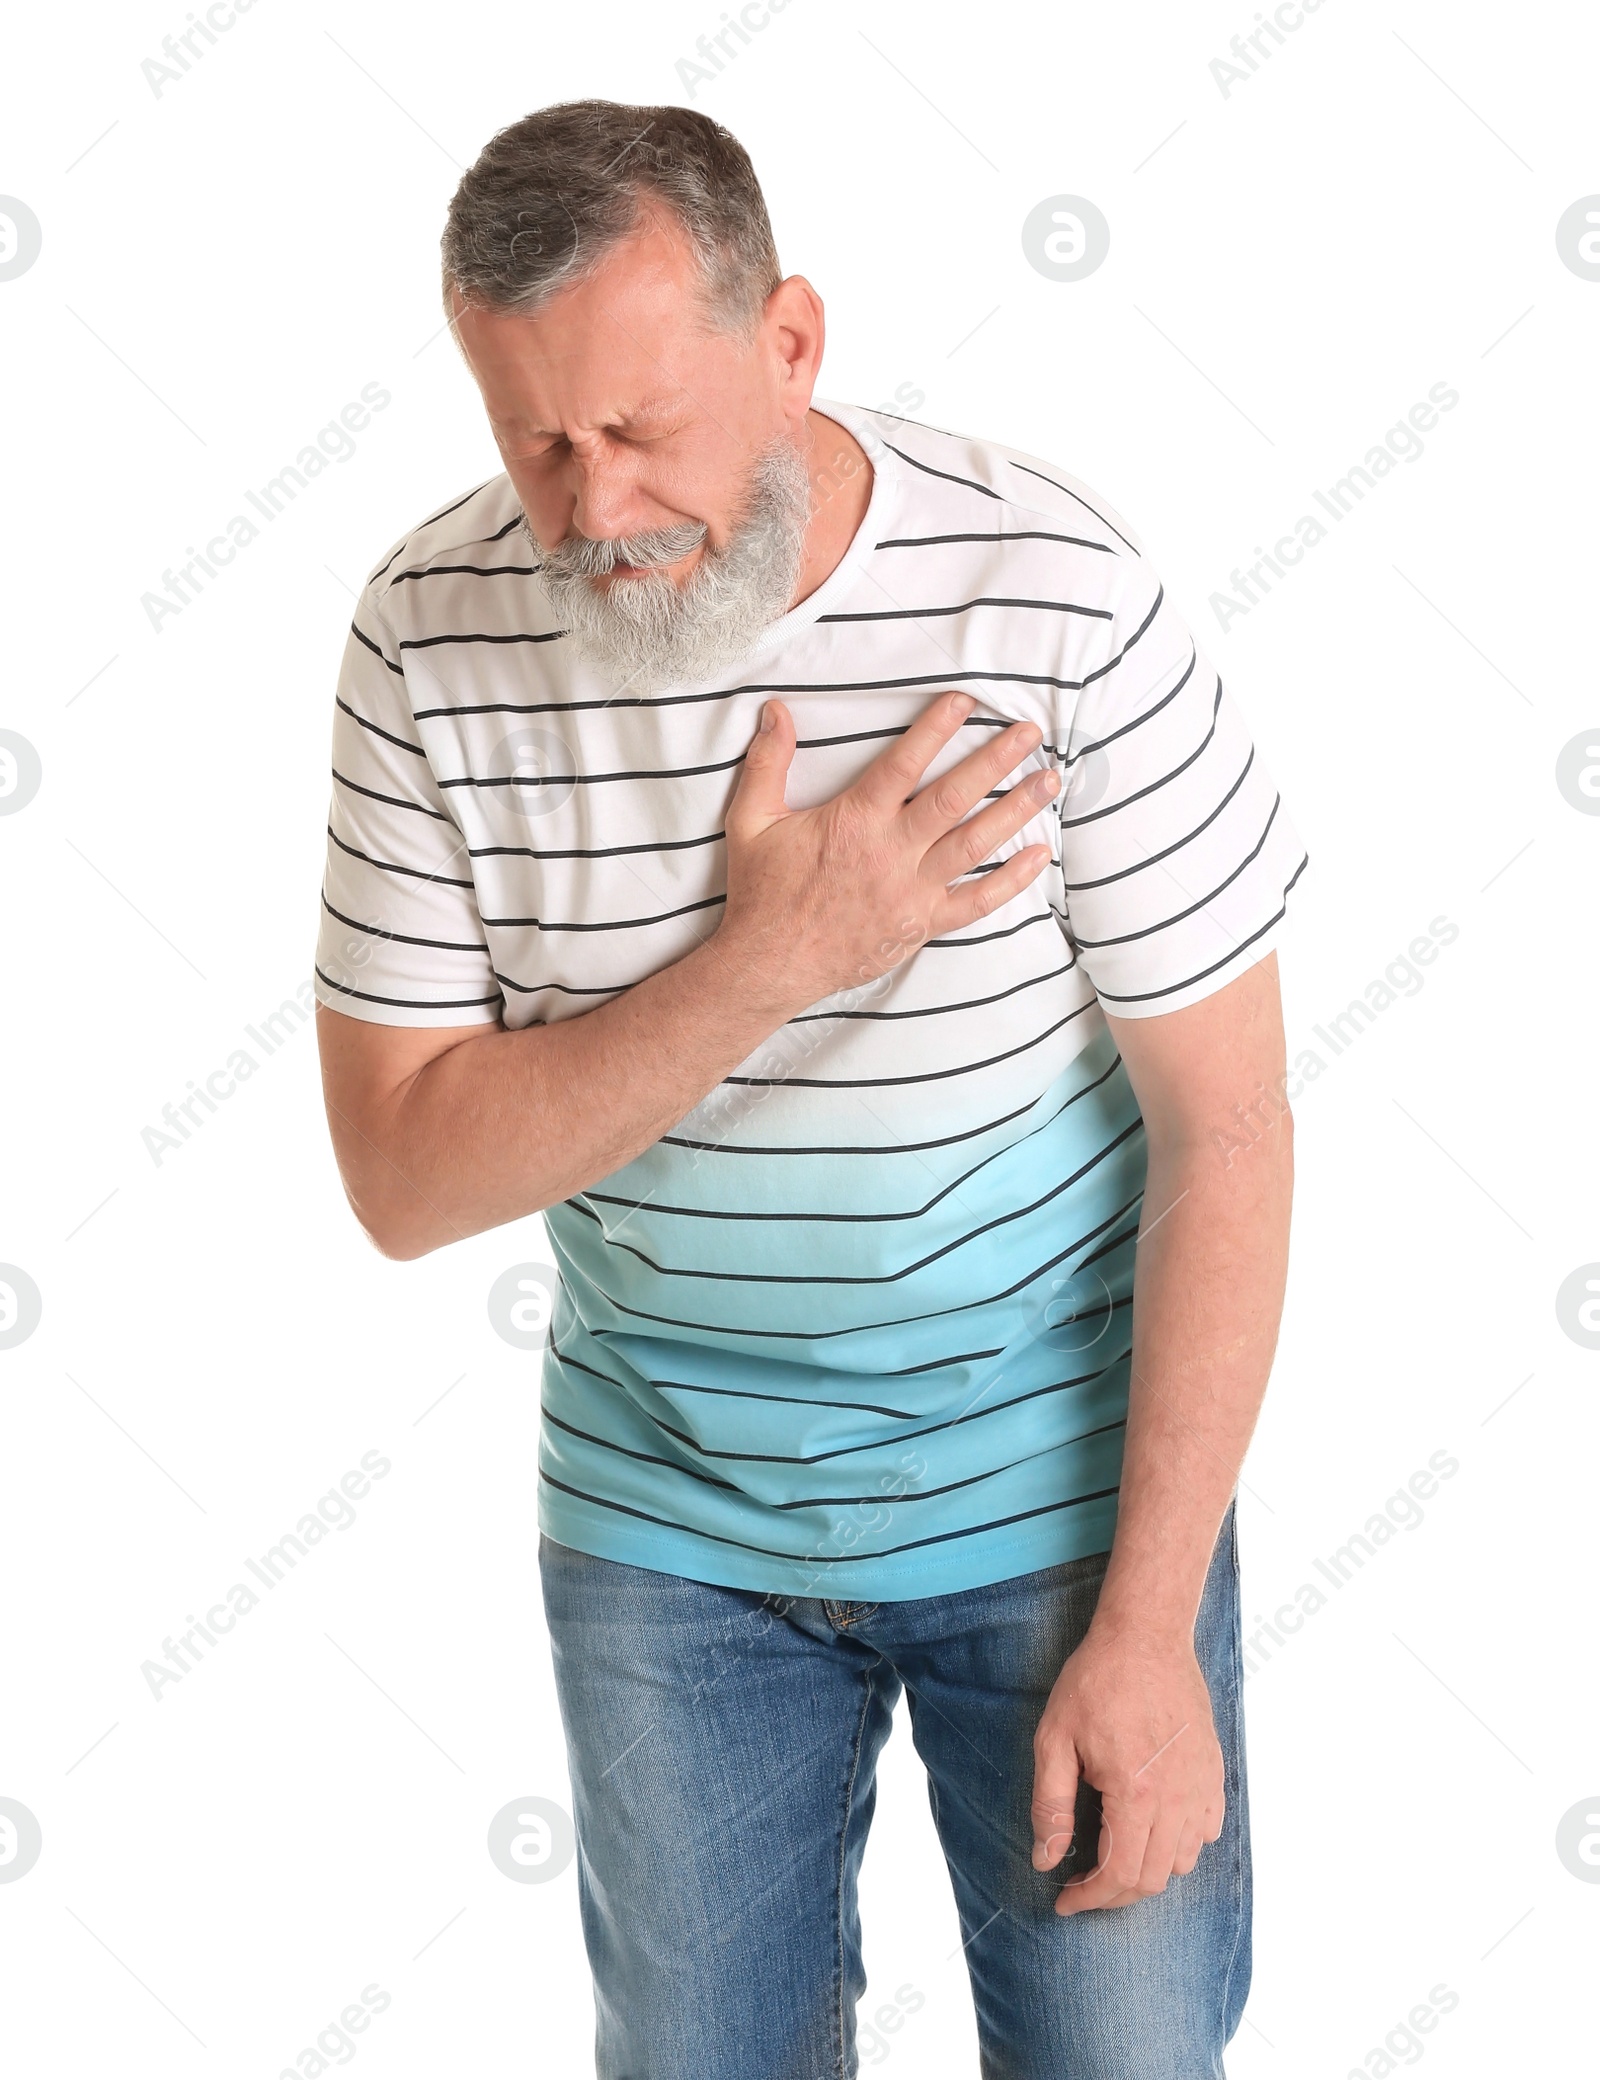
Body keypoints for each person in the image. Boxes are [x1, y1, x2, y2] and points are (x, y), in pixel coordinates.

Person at [313, 98, 1307, 2080]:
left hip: (1055, 1509)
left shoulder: (1051, 591)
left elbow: (1230, 1128)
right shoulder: (427, 634)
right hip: (662, 1527)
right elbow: (407, 1175)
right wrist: (780, 952)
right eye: (535, 440)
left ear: (788, 344)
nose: (590, 509)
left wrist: (1147, 1624)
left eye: (640, 428)